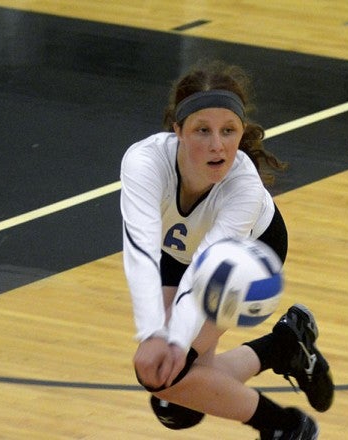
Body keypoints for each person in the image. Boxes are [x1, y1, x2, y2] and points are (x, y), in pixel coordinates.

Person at [120, 60, 334, 440]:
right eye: (203, 130)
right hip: (176, 251)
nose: (217, 145)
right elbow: (140, 249)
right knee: (178, 404)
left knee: (167, 376)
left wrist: (170, 343)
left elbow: (209, 268)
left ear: (241, 132)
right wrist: (152, 332)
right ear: (178, 131)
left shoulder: (243, 188)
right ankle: (284, 346)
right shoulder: (144, 163)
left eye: (229, 131)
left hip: (245, 260)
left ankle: (287, 428)